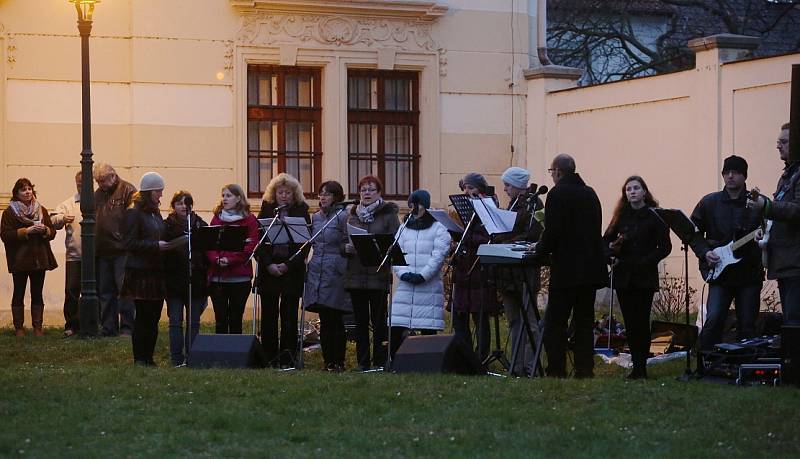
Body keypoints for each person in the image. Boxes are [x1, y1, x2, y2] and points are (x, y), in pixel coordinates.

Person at [535, 154, 607, 378]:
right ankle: (585, 369)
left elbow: (553, 231)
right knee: (584, 322)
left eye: (551, 171)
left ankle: (556, 369)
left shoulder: (558, 194)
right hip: (590, 269)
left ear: (557, 171)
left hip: (566, 269)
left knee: (556, 322)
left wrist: (539, 249)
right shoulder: (590, 193)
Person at [689, 155, 763, 351]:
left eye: (736, 172)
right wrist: (705, 252)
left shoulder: (757, 204)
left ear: (744, 176)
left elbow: (771, 231)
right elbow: (692, 233)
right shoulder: (709, 202)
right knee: (713, 318)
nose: (730, 176)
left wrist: (762, 240)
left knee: (747, 323)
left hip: (749, 273)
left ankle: (745, 365)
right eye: (726, 172)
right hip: (720, 274)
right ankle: (705, 360)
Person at [603, 176, 672, 379]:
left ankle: (641, 367)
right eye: (628, 189)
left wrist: (646, 262)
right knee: (630, 322)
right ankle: (636, 366)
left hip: (644, 277)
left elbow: (665, 247)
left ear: (644, 192)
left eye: (636, 188)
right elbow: (605, 241)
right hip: (624, 276)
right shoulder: (620, 217)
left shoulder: (655, 216)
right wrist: (610, 256)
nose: (632, 192)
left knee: (641, 321)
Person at [344, 175, 400, 370]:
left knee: (378, 322)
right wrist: (346, 248)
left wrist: (377, 247)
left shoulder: (388, 213)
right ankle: (362, 362)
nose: (366, 193)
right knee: (360, 322)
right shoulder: (351, 213)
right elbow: (344, 240)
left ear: (379, 193)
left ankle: (379, 360)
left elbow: (395, 242)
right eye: (363, 190)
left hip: (378, 275)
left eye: (371, 189)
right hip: (356, 275)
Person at [493, 166, 544, 377]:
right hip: (507, 271)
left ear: (518, 186)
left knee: (529, 321)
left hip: (524, 269)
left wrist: (504, 241)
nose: (505, 189)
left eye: (508, 185)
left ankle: (532, 365)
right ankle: (517, 365)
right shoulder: (512, 204)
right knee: (514, 320)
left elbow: (532, 233)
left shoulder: (534, 203)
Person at [390, 189, 451, 357]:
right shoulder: (404, 228)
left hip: (428, 285)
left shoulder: (438, 228)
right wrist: (403, 273)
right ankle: (394, 359)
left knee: (427, 325)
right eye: (411, 205)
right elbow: (395, 252)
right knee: (397, 323)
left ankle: (428, 361)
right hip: (406, 284)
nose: (413, 208)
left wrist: (423, 275)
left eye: (416, 205)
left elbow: (438, 255)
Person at [258, 173, 311, 367]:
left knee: (289, 315)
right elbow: (260, 242)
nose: (284, 196)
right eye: (280, 192)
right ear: (274, 193)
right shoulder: (266, 209)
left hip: (291, 270)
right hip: (269, 269)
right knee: (269, 316)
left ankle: (288, 356)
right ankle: (269, 356)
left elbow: (305, 244)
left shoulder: (302, 210)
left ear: (294, 194)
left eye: (288, 192)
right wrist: (268, 264)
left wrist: (287, 265)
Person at [752, 123, 800, 325]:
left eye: (784, 141)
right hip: (785, 261)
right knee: (790, 322)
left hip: (795, 262)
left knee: (795, 322)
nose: (778, 146)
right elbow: (778, 213)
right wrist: (764, 229)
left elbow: (797, 209)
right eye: (777, 142)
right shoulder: (786, 176)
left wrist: (767, 205)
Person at [450, 172, 499, 362]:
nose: (466, 191)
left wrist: (467, 238)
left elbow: (490, 238)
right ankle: (465, 357)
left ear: (480, 189)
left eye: (471, 188)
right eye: (464, 188)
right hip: (464, 269)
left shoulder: (489, 208)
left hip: (479, 270)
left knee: (479, 317)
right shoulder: (464, 211)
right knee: (459, 317)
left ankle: (480, 358)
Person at [121, 172, 168, 366]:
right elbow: (130, 242)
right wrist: (155, 245)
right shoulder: (134, 212)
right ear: (149, 191)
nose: (161, 195)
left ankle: (149, 357)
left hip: (156, 270)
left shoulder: (154, 212)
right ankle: (140, 358)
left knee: (154, 316)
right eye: (158, 191)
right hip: (140, 273)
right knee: (143, 316)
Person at [304, 180, 352, 371]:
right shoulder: (315, 218)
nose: (322, 197)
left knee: (335, 317)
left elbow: (349, 242)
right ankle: (327, 361)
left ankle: (339, 361)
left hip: (336, 270)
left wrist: (345, 249)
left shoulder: (343, 216)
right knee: (324, 318)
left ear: (337, 197)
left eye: (327, 194)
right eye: (320, 193)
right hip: (317, 270)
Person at [1, 178, 58, 336]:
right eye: (23, 190)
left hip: (39, 259)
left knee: (37, 292)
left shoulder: (41, 210)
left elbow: (52, 233)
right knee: (18, 292)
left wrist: (44, 229)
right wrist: (27, 231)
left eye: (29, 189)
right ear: (16, 193)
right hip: (19, 259)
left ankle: (37, 327)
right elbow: (5, 235)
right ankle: (19, 328)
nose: (27, 192)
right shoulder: (9, 212)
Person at [163, 191, 209, 366]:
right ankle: (176, 357)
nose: (184, 206)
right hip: (174, 279)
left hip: (195, 280)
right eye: (179, 203)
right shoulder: (166, 226)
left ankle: (193, 356)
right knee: (175, 321)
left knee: (194, 322)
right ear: (173, 206)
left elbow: (207, 250)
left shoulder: (200, 224)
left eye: (187, 203)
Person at [206, 184, 259, 334]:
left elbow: (250, 246)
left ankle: (236, 355)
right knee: (220, 320)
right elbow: (209, 244)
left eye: (228, 195)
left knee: (236, 320)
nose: (224, 199)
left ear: (238, 198)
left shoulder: (249, 220)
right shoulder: (217, 219)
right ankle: (220, 356)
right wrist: (216, 258)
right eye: (223, 195)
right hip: (218, 278)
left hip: (239, 279)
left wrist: (230, 260)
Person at [94, 163, 137, 337]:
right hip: (103, 249)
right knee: (105, 291)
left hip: (121, 249)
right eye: (98, 181)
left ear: (113, 176)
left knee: (124, 290)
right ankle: (108, 327)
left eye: (102, 180)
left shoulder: (128, 190)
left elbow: (133, 218)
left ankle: (127, 326)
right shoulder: (98, 194)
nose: (100, 184)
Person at [51, 171, 83, 337]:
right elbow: (52, 220)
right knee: (71, 291)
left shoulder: (99, 202)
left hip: (97, 257)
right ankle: (71, 325)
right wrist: (63, 218)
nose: (82, 186)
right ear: (75, 183)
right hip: (74, 256)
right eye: (79, 183)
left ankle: (91, 324)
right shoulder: (69, 204)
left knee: (96, 292)